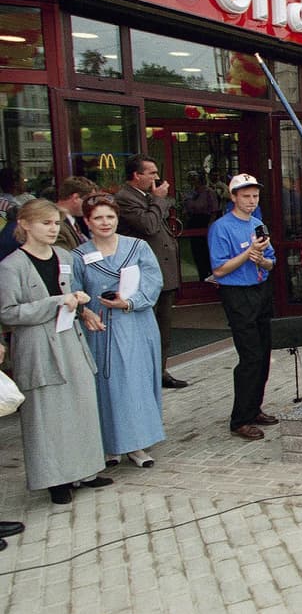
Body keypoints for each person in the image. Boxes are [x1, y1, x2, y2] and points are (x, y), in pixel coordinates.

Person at [0, 199, 111, 505]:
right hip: (37, 345)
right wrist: (55, 304)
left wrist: (84, 310)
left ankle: (85, 469)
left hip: (69, 337)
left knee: (81, 403)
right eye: (45, 223)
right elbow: (8, 313)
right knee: (46, 412)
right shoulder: (11, 266)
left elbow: (71, 294)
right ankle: (55, 479)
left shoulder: (63, 256)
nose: (53, 229)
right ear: (25, 225)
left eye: (56, 223)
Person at [73, 193, 165, 469]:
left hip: (135, 323)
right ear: (87, 222)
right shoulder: (79, 255)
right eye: (98, 218)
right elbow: (74, 289)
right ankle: (110, 445)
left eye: (110, 217)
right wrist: (84, 309)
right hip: (100, 329)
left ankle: (137, 444)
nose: (105, 222)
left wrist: (131, 302)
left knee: (134, 383)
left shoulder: (137, 247)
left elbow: (153, 281)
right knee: (105, 384)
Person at [207, 173, 277, 441]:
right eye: (245, 196)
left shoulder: (258, 223)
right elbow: (220, 268)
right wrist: (248, 254)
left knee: (264, 352)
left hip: (260, 289)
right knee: (250, 356)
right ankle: (240, 418)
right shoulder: (221, 227)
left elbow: (271, 262)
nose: (251, 201)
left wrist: (261, 260)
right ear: (233, 197)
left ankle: (254, 406)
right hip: (237, 293)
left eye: (255, 196)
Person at [114, 154, 186, 388]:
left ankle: (161, 370)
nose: (157, 177)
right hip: (144, 275)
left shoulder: (147, 197)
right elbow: (148, 225)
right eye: (151, 173)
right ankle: (145, 373)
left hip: (164, 272)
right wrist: (157, 200)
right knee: (146, 327)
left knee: (163, 326)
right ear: (137, 175)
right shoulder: (125, 198)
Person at [53, 176, 94, 250]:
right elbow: (64, 257)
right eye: (89, 201)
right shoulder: (55, 223)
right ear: (75, 198)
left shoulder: (71, 220)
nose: (91, 206)